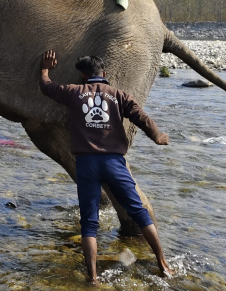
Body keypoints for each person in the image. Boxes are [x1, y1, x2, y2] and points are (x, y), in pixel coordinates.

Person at [38, 50, 174, 284]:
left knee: (89, 224)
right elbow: (141, 117)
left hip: (86, 163)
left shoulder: (74, 92)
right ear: (104, 73)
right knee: (140, 213)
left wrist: (44, 68)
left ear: (83, 76)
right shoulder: (119, 95)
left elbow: (47, 87)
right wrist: (157, 135)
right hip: (114, 162)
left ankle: (92, 278)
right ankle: (163, 263)